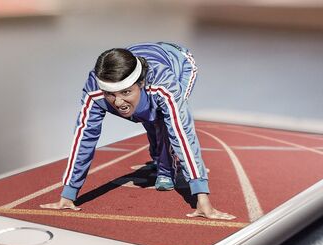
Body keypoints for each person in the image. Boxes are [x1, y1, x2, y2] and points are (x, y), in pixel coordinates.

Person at [41, 42, 235, 220]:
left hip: (179, 63)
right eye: (110, 94)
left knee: (166, 121)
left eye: (125, 92)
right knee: (147, 118)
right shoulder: (95, 90)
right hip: (141, 65)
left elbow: (183, 134)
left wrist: (202, 198)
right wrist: (68, 193)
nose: (117, 103)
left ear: (140, 84)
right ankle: (160, 159)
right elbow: (84, 138)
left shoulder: (163, 83)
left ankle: (167, 170)